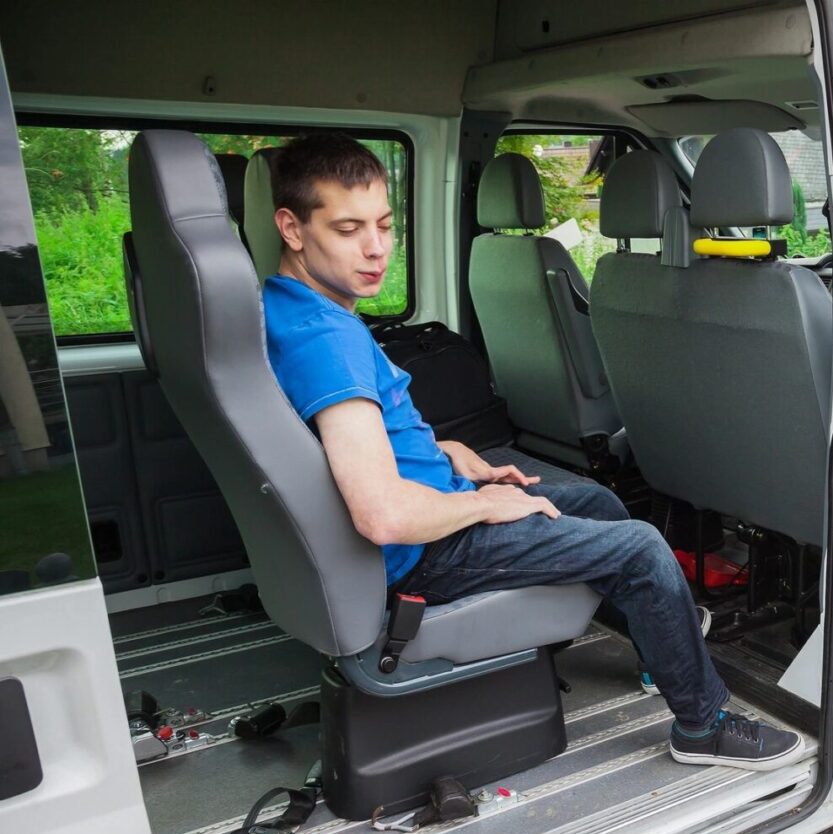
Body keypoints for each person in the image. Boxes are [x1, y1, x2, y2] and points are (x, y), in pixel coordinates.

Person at [259, 132, 802, 771]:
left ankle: (664, 645)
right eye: (348, 229)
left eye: (383, 224)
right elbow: (383, 515)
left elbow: (347, 441)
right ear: (292, 228)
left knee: (596, 499)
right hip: (426, 552)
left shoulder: (287, 307)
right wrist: (484, 506)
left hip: (433, 510)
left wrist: (445, 449)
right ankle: (703, 725)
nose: (376, 248)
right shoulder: (329, 341)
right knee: (642, 549)